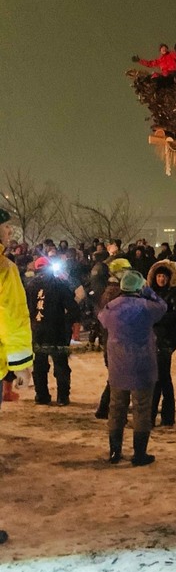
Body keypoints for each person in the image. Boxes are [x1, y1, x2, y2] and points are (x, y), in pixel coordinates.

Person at [98, 269, 166, 466]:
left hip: (118, 364)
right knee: (142, 409)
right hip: (143, 364)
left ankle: (115, 451)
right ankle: (139, 454)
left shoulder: (111, 307)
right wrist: (149, 292)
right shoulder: (146, 306)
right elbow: (162, 307)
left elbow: (102, 319)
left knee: (116, 407)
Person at [0, 208, 34, 544]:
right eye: (6, 227)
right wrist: (21, 363)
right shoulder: (4, 268)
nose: (10, 233)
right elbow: (12, 316)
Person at [25, 256, 81, 406]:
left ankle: (41, 395)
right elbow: (73, 308)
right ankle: (63, 397)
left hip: (38, 331)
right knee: (61, 364)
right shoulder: (59, 284)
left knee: (40, 364)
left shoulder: (30, 286)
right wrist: (69, 321)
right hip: (58, 330)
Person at [147, 261, 176, 428]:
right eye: (158, 276)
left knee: (160, 376)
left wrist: (161, 319)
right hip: (153, 338)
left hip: (167, 338)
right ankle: (163, 416)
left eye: (164, 276)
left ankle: (158, 416)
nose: (161, 279)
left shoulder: (175, 292)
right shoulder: (150, 293)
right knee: (160, 377)